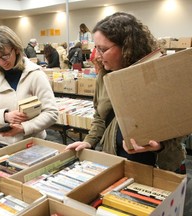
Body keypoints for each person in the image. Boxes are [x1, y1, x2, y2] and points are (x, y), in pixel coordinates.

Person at [65, 12, 186, 174]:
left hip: (155, 165)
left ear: (127, 47)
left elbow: (178, 129)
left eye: (103, 49)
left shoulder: (155, 75)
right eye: (96, 48)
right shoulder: (104, 75)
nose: (97, 56)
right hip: (115, 159)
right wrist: (89, 141)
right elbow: (100, 117)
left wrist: (160, 145)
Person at [0, 26, 58, 145]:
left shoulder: (35, 74)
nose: (1, 62)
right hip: (1, 143)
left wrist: (25, 127)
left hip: (32, 144)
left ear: (16, 49)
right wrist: (5, 116)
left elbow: (51, 112)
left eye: (5, 56)